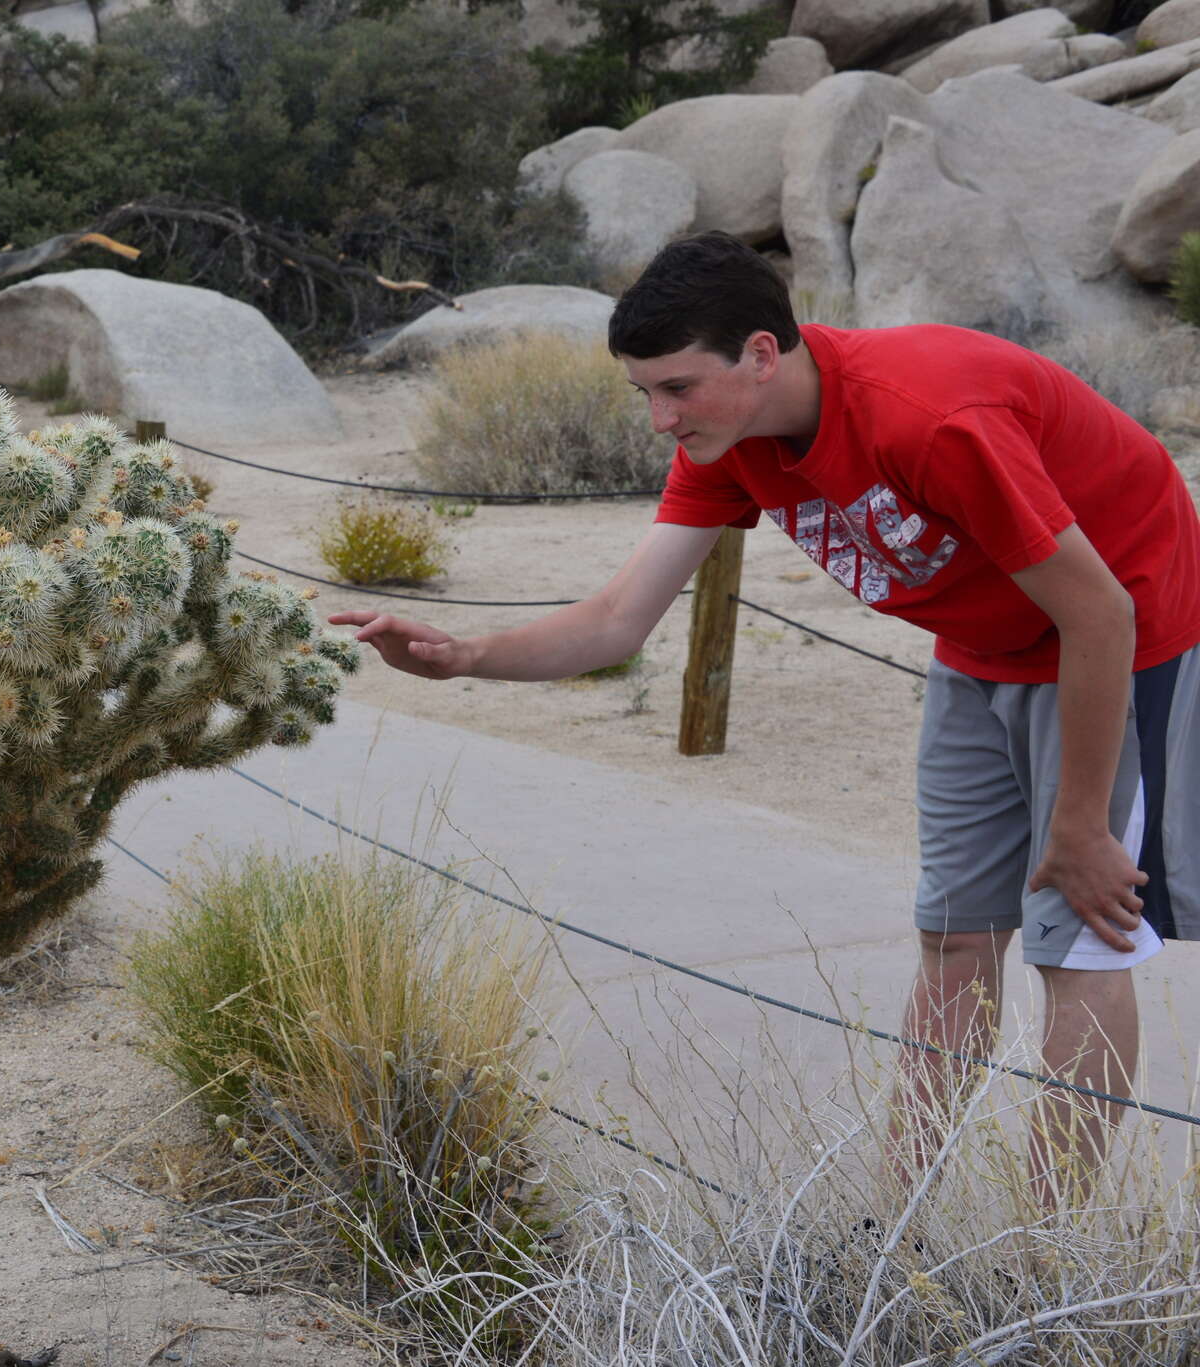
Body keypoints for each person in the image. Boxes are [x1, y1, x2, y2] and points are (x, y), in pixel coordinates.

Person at [334, 233, 1200, 1201]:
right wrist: (464, 658)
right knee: (954, 933)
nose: (660, 418)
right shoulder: (730, 439)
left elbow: (1097, 610)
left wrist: (1080, 824)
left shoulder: (928, 417)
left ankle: (1047, 1248)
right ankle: (900, 1222)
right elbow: (619, 619)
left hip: (1116, 638)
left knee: (1073, 935)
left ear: (758, 352)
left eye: (676, 387)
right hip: (978, 645)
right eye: (642, 394)